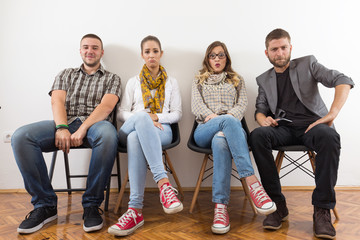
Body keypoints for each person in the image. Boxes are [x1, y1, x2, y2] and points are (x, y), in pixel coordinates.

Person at [249, 28, 354, 239]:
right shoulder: (263, 79)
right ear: (267, 52)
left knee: (330, 136)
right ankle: (277, 206)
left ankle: (322, 210)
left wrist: (332, 113)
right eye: (274, 49)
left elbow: (342, 79)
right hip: (283, 129)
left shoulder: (308, 64)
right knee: (258, 136)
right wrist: (264, 120)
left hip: (312, 127)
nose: (279, 53)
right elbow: (259, 110)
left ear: (290, 48)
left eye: (283, 48)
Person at [11, 34, 121, 234]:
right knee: (21, 137)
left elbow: (106, 107)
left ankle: (91, 205)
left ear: (101, 52)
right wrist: (62, 127)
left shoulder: (112, 78)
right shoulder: (66, 74)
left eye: (95, 48)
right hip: (65, 123)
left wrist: (83, 128)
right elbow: (57, 101)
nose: (90, 51)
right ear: (80, 51)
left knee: (109, 135)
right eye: (86, 47)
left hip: (96, 126)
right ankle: (44, 205)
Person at [191, 41, 276, 235]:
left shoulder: (237, 79)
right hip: (204, 128)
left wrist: (226, 121)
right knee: (227, 122)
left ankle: (220, 209)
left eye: (221, 55)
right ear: (207, 59)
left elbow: (242, 104)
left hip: (228, 130)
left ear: (226, 57)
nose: (217, 59)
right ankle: (253, 183)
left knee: (221, 140)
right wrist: (217, 119)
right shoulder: (198, 79)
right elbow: (196, 106)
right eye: (213, 55)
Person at [108, 35, 183, 237]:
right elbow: (122, 112)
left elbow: (177, 114)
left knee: (136, 139)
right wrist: (144, 118)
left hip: (161, 130)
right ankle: (164, 185)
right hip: (130, 127)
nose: (151, 55)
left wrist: (155, 117)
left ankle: (135, 211)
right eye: (147, 52)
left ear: (161, 54)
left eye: (155, 51)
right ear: (142, 55)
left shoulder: (171, 82)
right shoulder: (133, 82)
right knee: (140, 120)